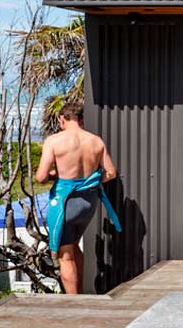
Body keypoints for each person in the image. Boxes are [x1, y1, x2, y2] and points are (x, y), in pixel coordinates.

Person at [36, 102, 121, 295]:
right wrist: (90, 180)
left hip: (66, 204)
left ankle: (73, 301)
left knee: (65, 255)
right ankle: (80, 292)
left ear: (62, 119)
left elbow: (40, 177)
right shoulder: (95, 141)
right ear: (81, 120)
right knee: (74, 245)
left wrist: (54, 176)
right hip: (88, 202)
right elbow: (111, 173)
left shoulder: (54, 141)